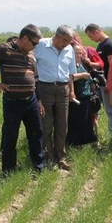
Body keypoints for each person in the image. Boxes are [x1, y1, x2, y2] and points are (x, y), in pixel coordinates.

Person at [0, 26, 44, 173]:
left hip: (31, 100)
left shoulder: (30, 54)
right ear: (25, 38)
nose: (35, 46)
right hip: (13, 102)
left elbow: (35, 78)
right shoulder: (4, 49)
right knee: (10, 136)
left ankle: (39, 167)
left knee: (36, 134)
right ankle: (8, 171)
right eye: (34, 43)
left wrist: (38, 100)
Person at [35, 25, 77, 171]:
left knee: (62, 124)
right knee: (46, 123)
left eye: (69, 41)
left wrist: (71, 91)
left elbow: (71, 73)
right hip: (45, 88)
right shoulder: (40, 46)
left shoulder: (69, 49)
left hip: (63, 89)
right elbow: (31, 65)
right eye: (65, 40)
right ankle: (48, 156)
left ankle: (61, 156)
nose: (67, 44)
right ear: (57, 36)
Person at [85, 24, 112, 136]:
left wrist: (110, 83)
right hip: (100, 82)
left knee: (110, 110)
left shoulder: (109, 45)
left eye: (91, 36)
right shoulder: (100, 45)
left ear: (96, 32)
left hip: (107, 83)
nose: (91, 39)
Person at [66, 43, 99, 146]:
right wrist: (82, 75)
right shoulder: (67, 64)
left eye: (80, 53)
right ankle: (74, 144)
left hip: (86, 97)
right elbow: (67, 77)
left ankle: (85, 143)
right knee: (75, 121)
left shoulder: (80, 65)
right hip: (75, 97)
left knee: (86, 121)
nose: (79, 55)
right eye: (76, 53)